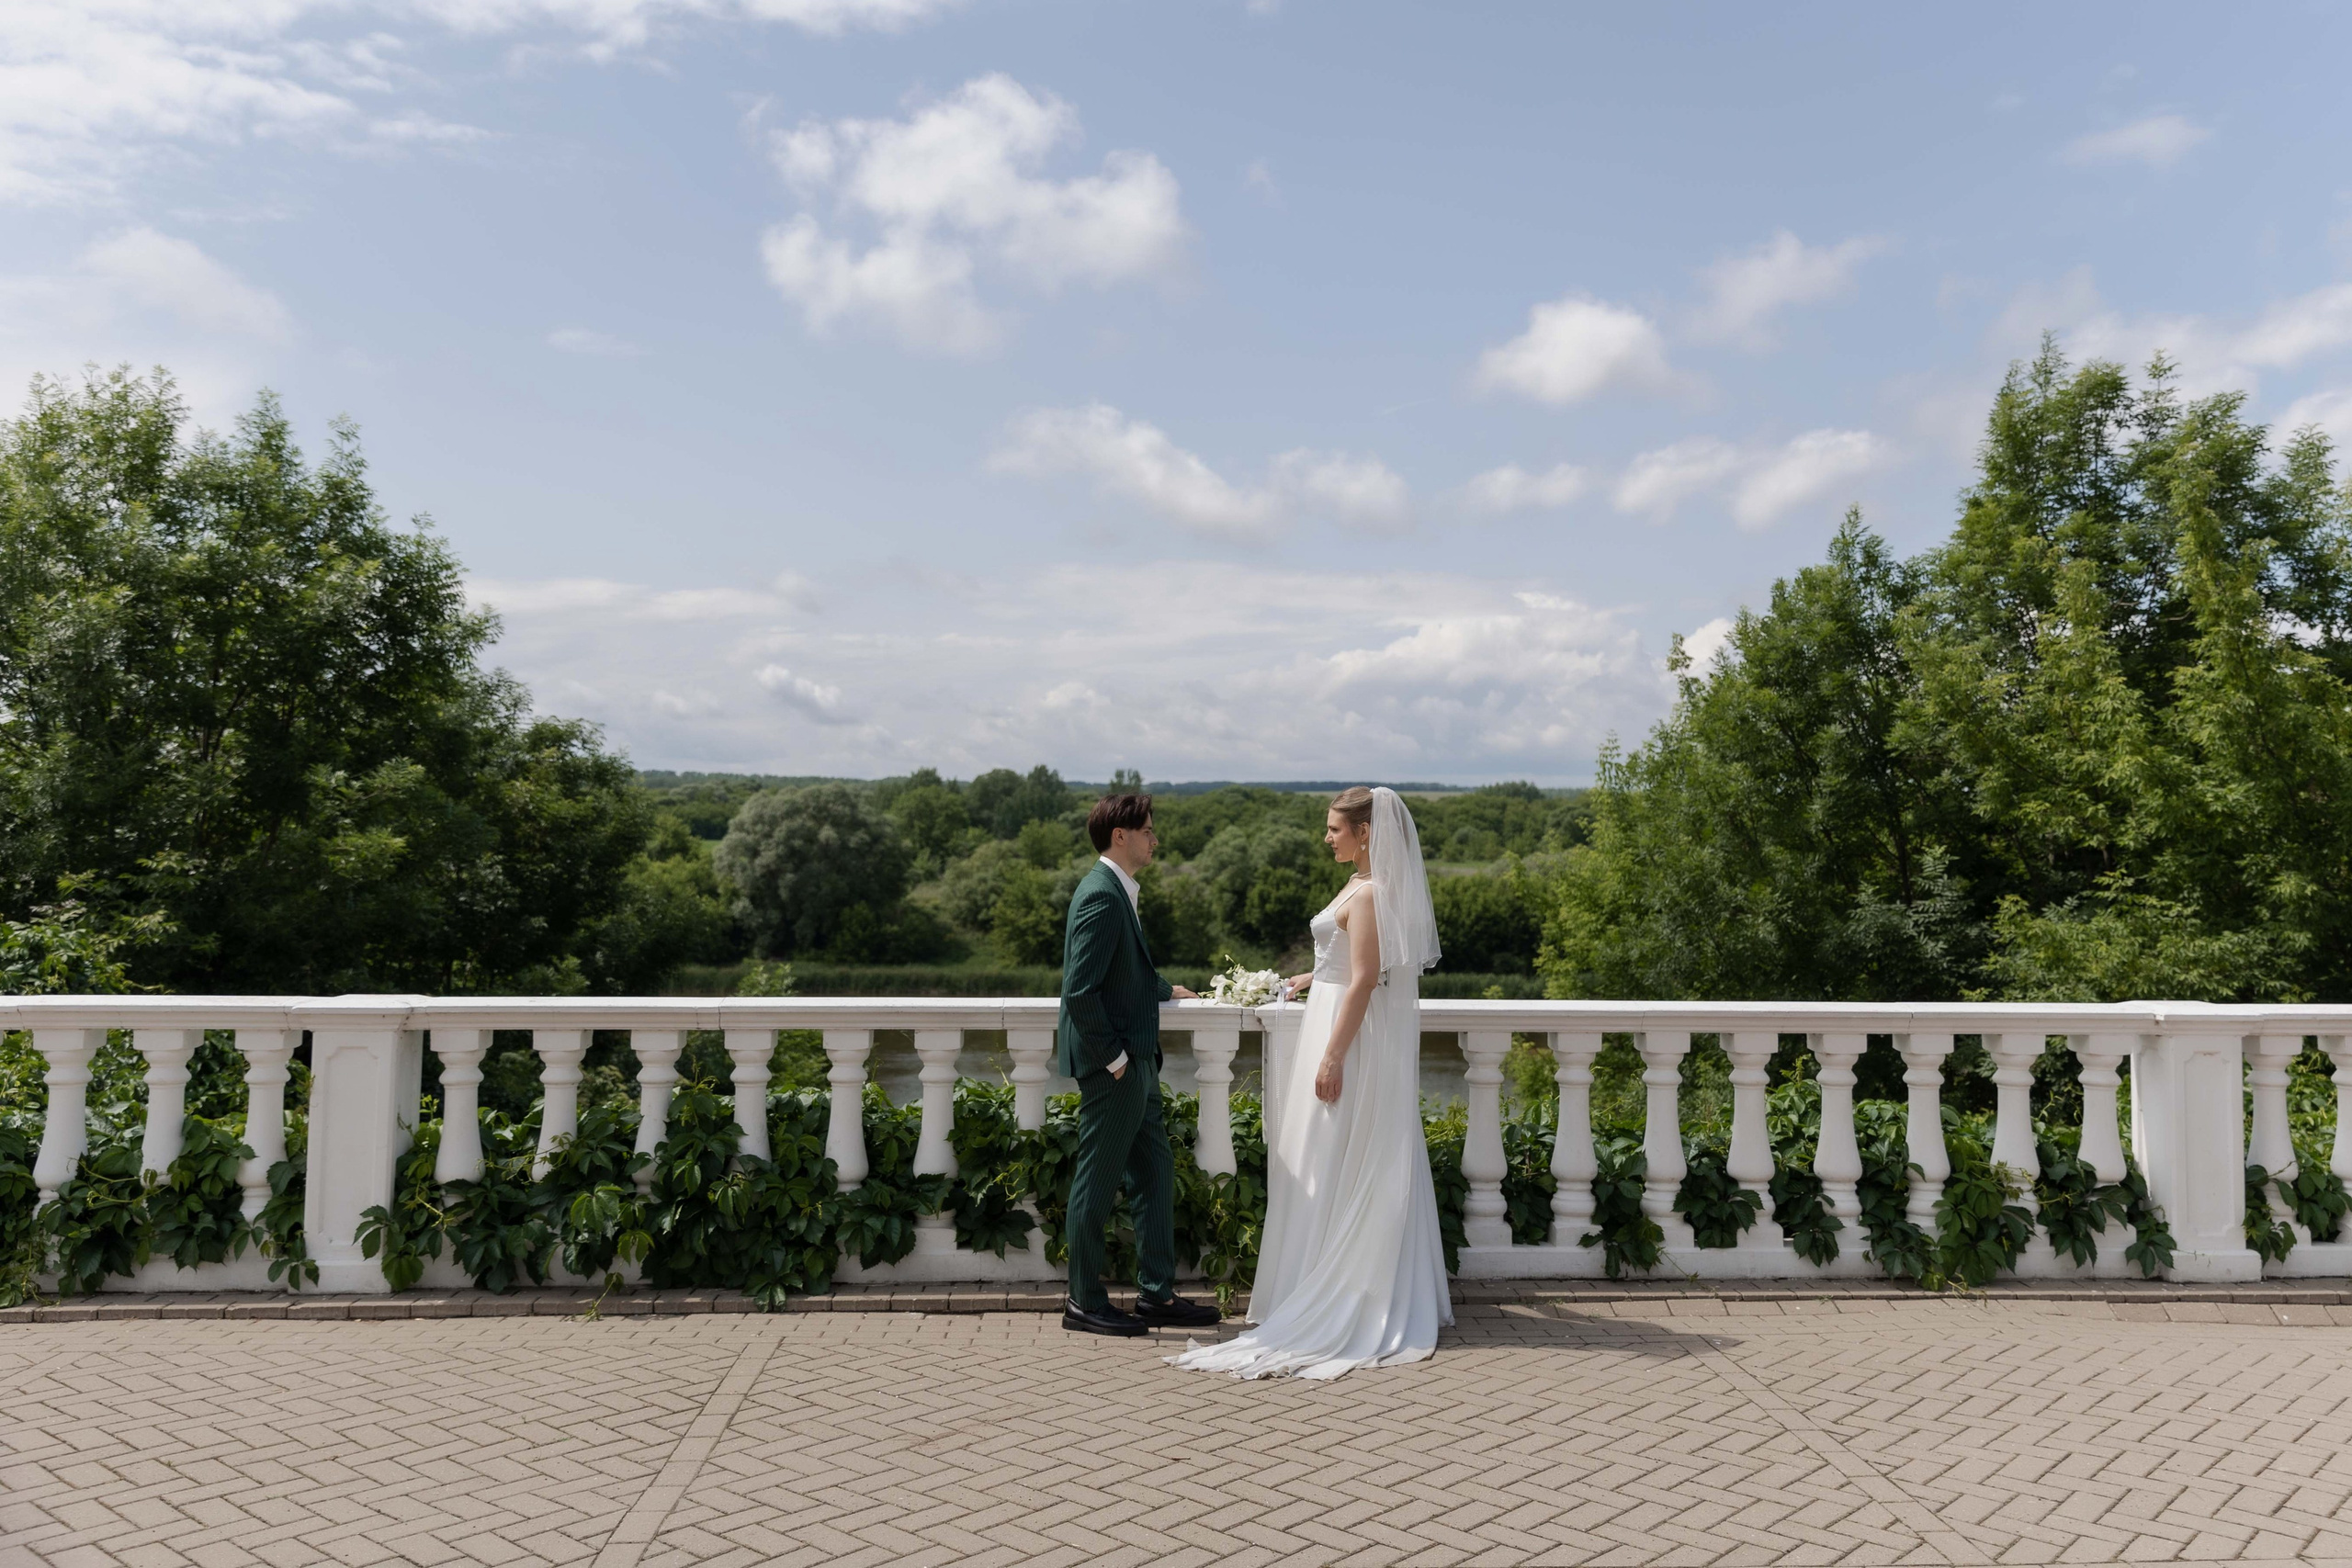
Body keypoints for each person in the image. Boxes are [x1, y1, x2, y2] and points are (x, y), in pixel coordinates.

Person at [1170, 784, 1452, 1379]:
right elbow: (1343, 958)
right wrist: (1303, 977)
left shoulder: (1371, 891)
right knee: (1318, 1154)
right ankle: (1310, 1274)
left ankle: (1339, 1288)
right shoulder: (1357, 885)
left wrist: (1331, 1056)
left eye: (1334, 828)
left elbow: (1365, 977)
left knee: (1333, 1156)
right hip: (1326, 1008)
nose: (1327, 837)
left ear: (1365, 832)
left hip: (1345, 1036)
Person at [1056, 792, 1222, 1337]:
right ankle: (1083, 1301)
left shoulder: (1117, 891)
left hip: (1138, 1061)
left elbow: (1122, 970)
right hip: (1117, 1067)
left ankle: (1156, 1295)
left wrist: (1161, 988)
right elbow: (1080, 991)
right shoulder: (1102, 895)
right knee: (1096, 1183)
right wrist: (1116, 1059)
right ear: (1120, 835)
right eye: (1148, 830)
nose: (1155, 839)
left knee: (1155, 1174)